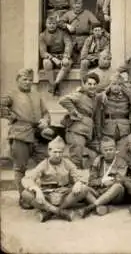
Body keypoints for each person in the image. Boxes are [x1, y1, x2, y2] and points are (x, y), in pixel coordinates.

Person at [0, 68, 51, 208]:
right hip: (20, 135)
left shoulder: (37, 95)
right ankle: (24, 198)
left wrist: (46, 121)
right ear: (17, 80)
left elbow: (46, 113)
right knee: (20, 168)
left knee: (46, 164)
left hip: (38, 136)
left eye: (29, 79)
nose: (27, 82)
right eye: (24, 79)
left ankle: (47, 194)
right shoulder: (11, 94)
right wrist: (9, 115)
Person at [21, 136, 89, 222]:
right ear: (49, 151)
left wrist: (78, 182)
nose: (58, 155)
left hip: (64, 194)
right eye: (55, 152)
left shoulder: (66, 162)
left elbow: (78, 174)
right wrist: (37, 190)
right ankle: (60, 212)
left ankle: (50, 212)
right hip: (47, 195)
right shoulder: (44, 164)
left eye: (60, 152)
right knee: (25, 193)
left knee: (84, 189)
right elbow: (27, 179)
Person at [59, 73, 100, 169]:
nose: (92, 86)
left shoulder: (94, 98)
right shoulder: (79, 95)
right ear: (84, 84)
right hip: (77, 131)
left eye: (94, 84)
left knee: (93, 155)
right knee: (76, 159)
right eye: (89, 84)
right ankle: (74, 181)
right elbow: (63, 100)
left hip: (87, 132)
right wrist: (74, 112)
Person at [79, 137, 128, 218]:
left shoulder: (121, 162)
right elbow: (91, 181)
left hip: (114, 195)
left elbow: (120, 179)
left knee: (118, 186)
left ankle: (92, 206)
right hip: (99, 191)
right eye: (106, 150)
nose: (108, 152)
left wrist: (110, 183)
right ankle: (99, 206)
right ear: (101, 151)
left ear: (115, 149)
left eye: (111, 149)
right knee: (83, 188)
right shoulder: (97, 161)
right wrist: (102, 182)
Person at [94, 75, 131, 154]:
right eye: (114, 84)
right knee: (108, 152)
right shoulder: (103, 96)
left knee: (122, 153)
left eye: (119, 84)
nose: (116, 87)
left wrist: (126, 91)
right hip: (108, 129)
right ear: (110, 85)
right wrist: (105, 91)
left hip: (124, 130)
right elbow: (94, 96)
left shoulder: (128, 97)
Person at [39, 16, 73, 95]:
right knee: (46, 62)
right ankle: (52, 83)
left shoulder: (63, 33)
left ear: (56, 24)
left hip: (62, 55)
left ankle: (56, 83)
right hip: (51, 56)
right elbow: (43, 52)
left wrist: (66, 56)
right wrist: (53, 58)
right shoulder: (42, 35)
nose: (51, 25)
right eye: (49, 23)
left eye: (53, 23)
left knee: (66, 63)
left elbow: (69, 44)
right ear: (46, 24)